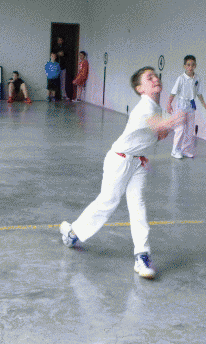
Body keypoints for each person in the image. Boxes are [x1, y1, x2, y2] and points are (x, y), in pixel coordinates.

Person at [59, 67, 186, 279]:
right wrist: (178, 117)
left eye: (155, 75)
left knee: (138, 207)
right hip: (119, 161)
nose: (155, 79)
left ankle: (142, 256)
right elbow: (161, 125)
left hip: (138, 163)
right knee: (107, 203)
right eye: (149, 77)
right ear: (140, 88)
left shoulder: (157, 109)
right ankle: (73, 233)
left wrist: (169, 124)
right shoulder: (144, 108)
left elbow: (160, 133)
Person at [166, 55, 206, 159]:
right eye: (188, 65)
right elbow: (173, 92)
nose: (190, 67)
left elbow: (199, 93)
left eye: (193, 65)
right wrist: (169, 104)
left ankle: (185, 150)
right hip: (181, 105)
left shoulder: (197, 78)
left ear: (195, 66)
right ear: (184, 66)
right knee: (180, 129)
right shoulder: (181, 79)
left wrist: (203, 103)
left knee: (189, 130)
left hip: (191, 106)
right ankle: (175, 150)